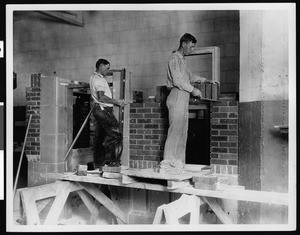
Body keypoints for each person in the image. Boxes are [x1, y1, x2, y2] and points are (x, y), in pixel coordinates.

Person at [163, 33, 217, 168]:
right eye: (191, 47)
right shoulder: (174, 58)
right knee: (175, 131)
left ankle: (179, 163)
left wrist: (205, 80)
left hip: (183, 97)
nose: (192, 50)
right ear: (184, 44)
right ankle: (168, 162)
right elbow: (178, 80)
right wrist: (193, 90)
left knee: (183, 131)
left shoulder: (182, 60)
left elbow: (189, 76)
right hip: (176, 95)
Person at [90, 58, 128, 169]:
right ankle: (113, 163)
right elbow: (101, 97)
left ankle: (99, 163)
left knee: (100, 138)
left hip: (99, 110)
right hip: (103, 110)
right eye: (107, 68)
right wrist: (117, 101)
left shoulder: (94, 77)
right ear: (101, 66)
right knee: (117, 135)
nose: (108, 71)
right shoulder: (99, 80)